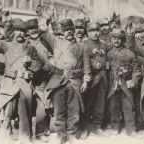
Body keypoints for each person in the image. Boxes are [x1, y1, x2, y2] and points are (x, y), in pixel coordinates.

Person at [0, 17, 46, 143]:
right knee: (7, 113)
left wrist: (31, 62)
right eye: (17, 30)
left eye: (22, 30)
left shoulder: (31, 48)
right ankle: (5, 138)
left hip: (24, 84)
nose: (20, 33)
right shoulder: (7, 45)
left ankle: (25, 138)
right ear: (13, 31)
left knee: (24, 115)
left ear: (25, 33)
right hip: (9, 84)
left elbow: (39, 65)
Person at [38, 16, 91, 144]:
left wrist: (86, 80)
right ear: (62, 31)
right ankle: (61, 135)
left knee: (74, 111)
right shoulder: (56, 42)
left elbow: (87, 66)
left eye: (71, 29)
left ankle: (72, 134)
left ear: (74, 30)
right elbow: (41, 33)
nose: (69, 32)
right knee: (59, 111)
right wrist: (44, 21)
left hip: (75, 82)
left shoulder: (82, 47)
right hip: (58, 81)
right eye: (66, 30)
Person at [107, 28, 141, 137]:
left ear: (122, 40)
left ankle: (131, 129)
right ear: (111, 39)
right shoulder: (107, 54)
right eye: (114, 38)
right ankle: (115, 127)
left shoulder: (130, 53)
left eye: (119, 39)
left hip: (126, 84)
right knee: (113, 106)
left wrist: (134, 81)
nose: (116, 41)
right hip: (112, 84)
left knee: (128, 106)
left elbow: (137, 69)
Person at [79, 22, 109, 138]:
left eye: (97, 30)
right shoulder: (83, 45)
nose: (95, 33)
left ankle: (97, 126)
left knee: (100, 103)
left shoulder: (103, 45)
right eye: (92, 31)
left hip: (102, 78)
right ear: (87, 33)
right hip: (90, 79)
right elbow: (81, 62)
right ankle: (85, 127)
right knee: (88, 103)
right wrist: (92, 64)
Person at [26, 18, 52, 143]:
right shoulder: (24, 44)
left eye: (35, 28)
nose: (33, 31)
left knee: (42, 107)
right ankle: (27, 133)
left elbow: (53, 57)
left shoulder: (45, 43)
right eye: (30, 29)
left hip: (42, 79)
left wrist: (49, 65)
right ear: (27, 31)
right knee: (26, 107)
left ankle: (40, 132)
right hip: (27, 80)